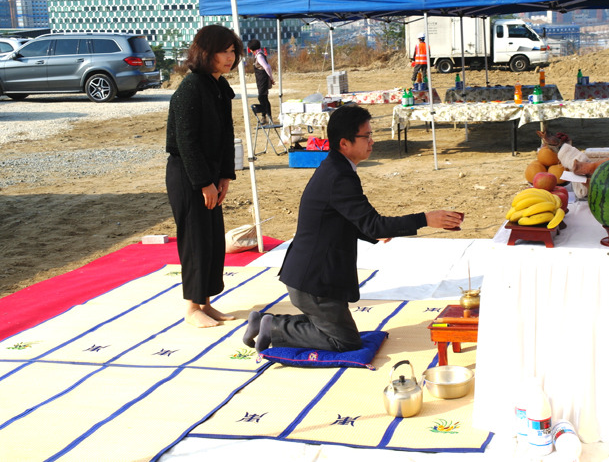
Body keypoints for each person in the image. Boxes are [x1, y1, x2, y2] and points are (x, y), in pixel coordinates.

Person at [243, 106, 462, 353]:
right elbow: (373, 223)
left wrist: (372, 232)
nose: (372, 141)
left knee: (336, 331)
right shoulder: (340, 175)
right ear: (344, 143)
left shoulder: (336, 168)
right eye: (366, 136)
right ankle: (273, 326)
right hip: (313, 279)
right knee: (345, 342)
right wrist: (425, 219)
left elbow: (345, 219)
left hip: (310, 274)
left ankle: (268, 323)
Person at [165, 25, 244, 328]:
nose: (230, 57)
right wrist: (204, 183)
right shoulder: (191, 87)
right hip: (188, 174)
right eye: (223, 51)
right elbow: (186, 141)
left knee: (212, 240)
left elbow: (226, 135)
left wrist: (224, 175)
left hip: (209, 173)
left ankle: (206, 302)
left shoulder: (218, 86)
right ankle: (191, 307)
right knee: (195, 240)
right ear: (205, 53)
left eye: (232, 51)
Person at [247, 39, 274, 124]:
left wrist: (271, 78)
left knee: (262, 97)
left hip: (263, 80)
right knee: (263, 98)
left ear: (252, 49)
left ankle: (267, 117)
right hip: (260, 80)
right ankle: (265, 116)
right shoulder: (258, 55)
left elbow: (267, 67)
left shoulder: (259, 56)